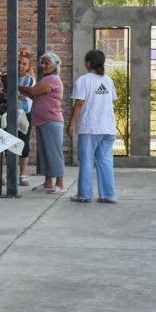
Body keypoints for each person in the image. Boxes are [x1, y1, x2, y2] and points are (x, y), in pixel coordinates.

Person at [66, 50, 117, 203]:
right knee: (105, 160)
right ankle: (108, 195)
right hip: (108, 127)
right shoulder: (108, 80)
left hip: (90, 127)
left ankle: (84, 195)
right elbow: (110, 100)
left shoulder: (84, 80)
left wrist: (71, 123)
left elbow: (79, 104)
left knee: (87, 160)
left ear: (88, 63)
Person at [19, 52, 65, 193]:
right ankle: (47, 183)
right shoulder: (45, 79)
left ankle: (60, 184)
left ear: (55, 65)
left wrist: (17, 86)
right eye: (42, 63)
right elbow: (32, 93)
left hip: (52, 121)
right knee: (45, 153)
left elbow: (33, 91)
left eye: (47, 63)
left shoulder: (53, 79)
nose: (43, 65)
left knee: (54, 152)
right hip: (43, 121)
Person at [16, 48, 36, 186]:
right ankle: (11, 173)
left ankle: (22, 175)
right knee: (9, 142)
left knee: (23, 143)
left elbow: (20, 95)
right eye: (19, 63)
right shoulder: (9, 76)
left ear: (28, 67)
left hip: (25, 114)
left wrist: (8, 90)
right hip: (10, 112)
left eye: (24, 64)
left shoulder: (29, 80)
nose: (20, 66)